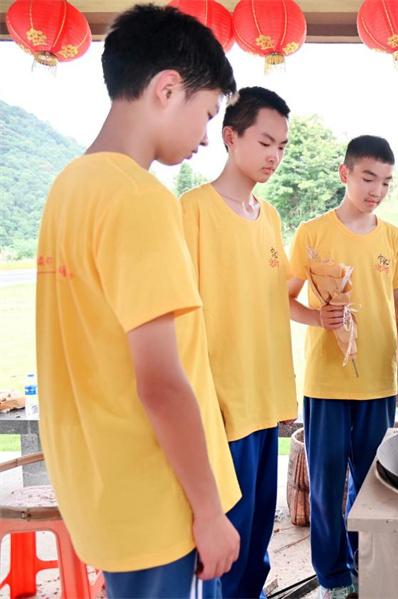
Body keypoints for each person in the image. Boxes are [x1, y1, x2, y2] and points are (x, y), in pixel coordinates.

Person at [34, 5, 241, 598]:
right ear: (166, 89)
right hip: (159, 501)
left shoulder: (70, 186)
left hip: (103, 490)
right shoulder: (139, 198)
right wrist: (208, 511)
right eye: (207, 113)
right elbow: (161, 382)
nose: (206, 136)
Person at [180, 86, 298, 598]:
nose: (275, 156)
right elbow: (179, 319)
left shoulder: (269, 217)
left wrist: (325, 308)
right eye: (265, 142)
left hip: (265, 400)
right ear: (230, 136)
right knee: (226, 542)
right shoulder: (193, 211)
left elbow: (276, 296)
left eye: (282, 147)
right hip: (222, 406)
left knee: (257, 536)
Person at [288, 135, 398, 599]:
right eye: (368, 178)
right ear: (345, 174)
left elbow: (397, 310)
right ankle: (333, 578)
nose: (376, 190)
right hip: (325, 383)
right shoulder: (312, 233)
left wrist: (394, 375)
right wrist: (316, 318)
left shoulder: (394, 239)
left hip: (378, 383)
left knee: (372, 485)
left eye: (385, 182)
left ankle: (368, 568)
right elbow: (284, 299)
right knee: (325, 486)